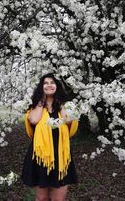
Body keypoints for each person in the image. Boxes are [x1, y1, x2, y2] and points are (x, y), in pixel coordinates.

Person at [21, 73, 79, 201]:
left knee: (60, 199)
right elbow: (34, 120)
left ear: (57, 86)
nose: (49, 85)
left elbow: (68, 119)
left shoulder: (65, 106)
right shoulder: (35, 106)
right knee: (42, 198)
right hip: (40, 156)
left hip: (61, 156)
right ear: (41, 87)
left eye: (52, 82)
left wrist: (61, 102)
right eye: (45, 83)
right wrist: (41, 101)